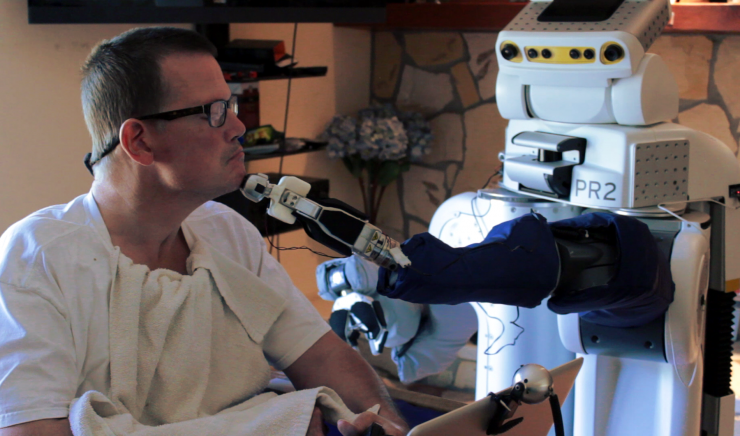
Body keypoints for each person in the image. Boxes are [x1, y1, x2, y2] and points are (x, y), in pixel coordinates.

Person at [0, 27, 408, 436]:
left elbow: (320, 356)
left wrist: (390, 427)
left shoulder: (227, 231)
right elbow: (30, 431)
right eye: (213, 111)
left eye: (230, 105)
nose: (238, 126)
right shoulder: (36, 258)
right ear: (139, 141)